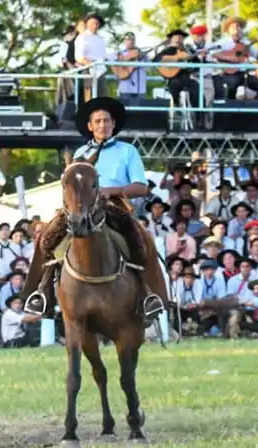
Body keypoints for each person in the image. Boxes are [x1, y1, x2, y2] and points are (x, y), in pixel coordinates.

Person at [22, 98, 168, 322]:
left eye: (106, 121)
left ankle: (150, 296)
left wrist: (111, 191)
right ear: (90, 126)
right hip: (81, 208)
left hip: (115, 206)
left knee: (141, 241)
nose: (102, 125)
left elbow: (141, 187)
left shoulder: (128, 151)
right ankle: (39, 295)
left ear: (113, 123)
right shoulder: (80, 153)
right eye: (97, 121)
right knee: (45, 238)